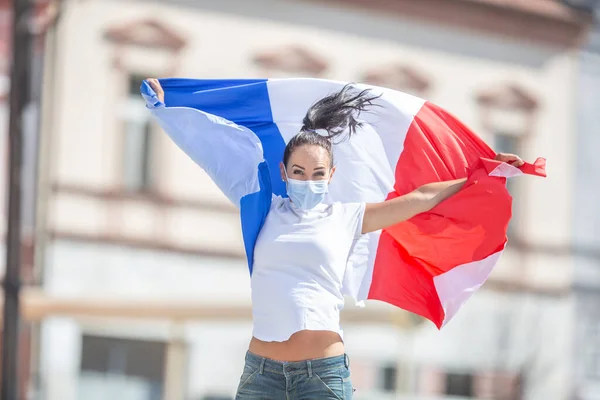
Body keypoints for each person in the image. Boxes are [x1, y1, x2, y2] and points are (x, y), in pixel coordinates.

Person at [146, 79, 523, 400]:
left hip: (321, 376)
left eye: (316, 173)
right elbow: (213, 149)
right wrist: (169, 106)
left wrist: (483, 172)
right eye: (298, 171)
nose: (307, 180)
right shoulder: (262, 208)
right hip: (261, 374)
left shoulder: (347, 217)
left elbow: (420, 199)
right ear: (283, 171)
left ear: (331, 175)